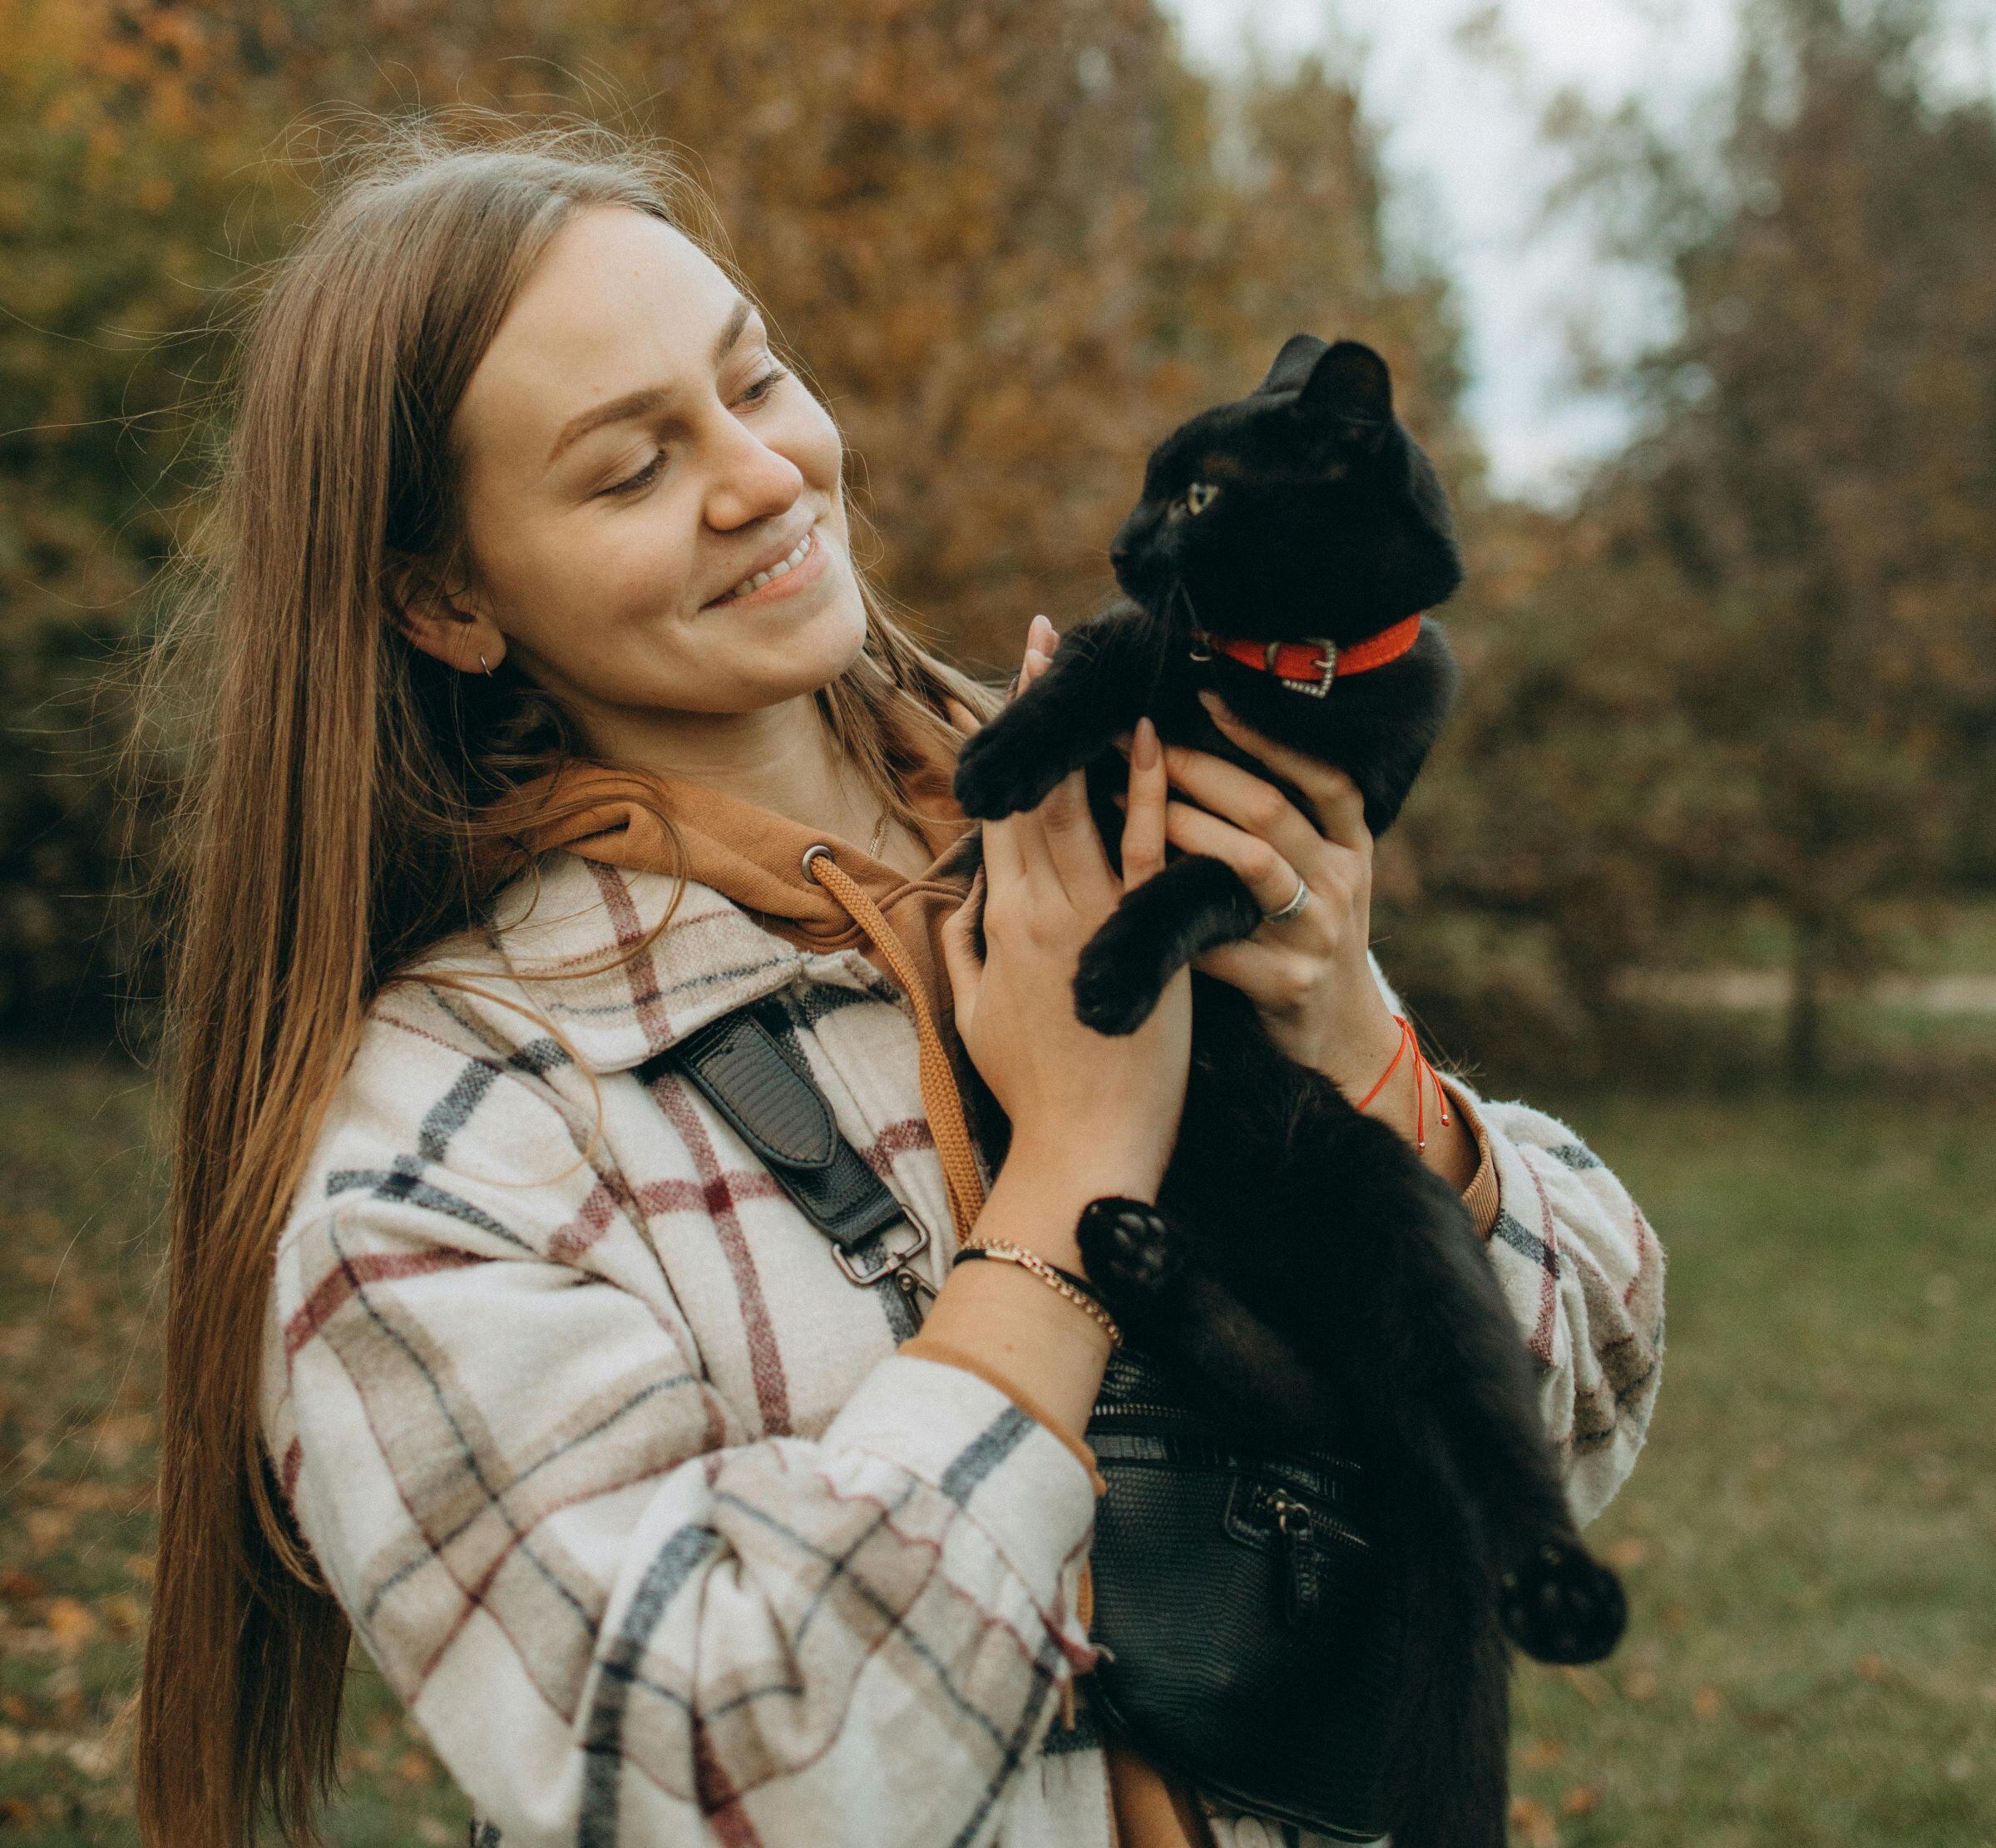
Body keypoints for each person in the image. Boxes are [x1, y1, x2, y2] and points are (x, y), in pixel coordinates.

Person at [134, 128, 1665, 1848]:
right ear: (446, 595)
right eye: (632, 468)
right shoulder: (455, 1134)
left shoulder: (1118, 818)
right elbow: (717, 1778)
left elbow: (1574, 1413)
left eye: (755, 378)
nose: (763, 477)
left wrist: (1351, 1041)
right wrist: (1068, 1189)